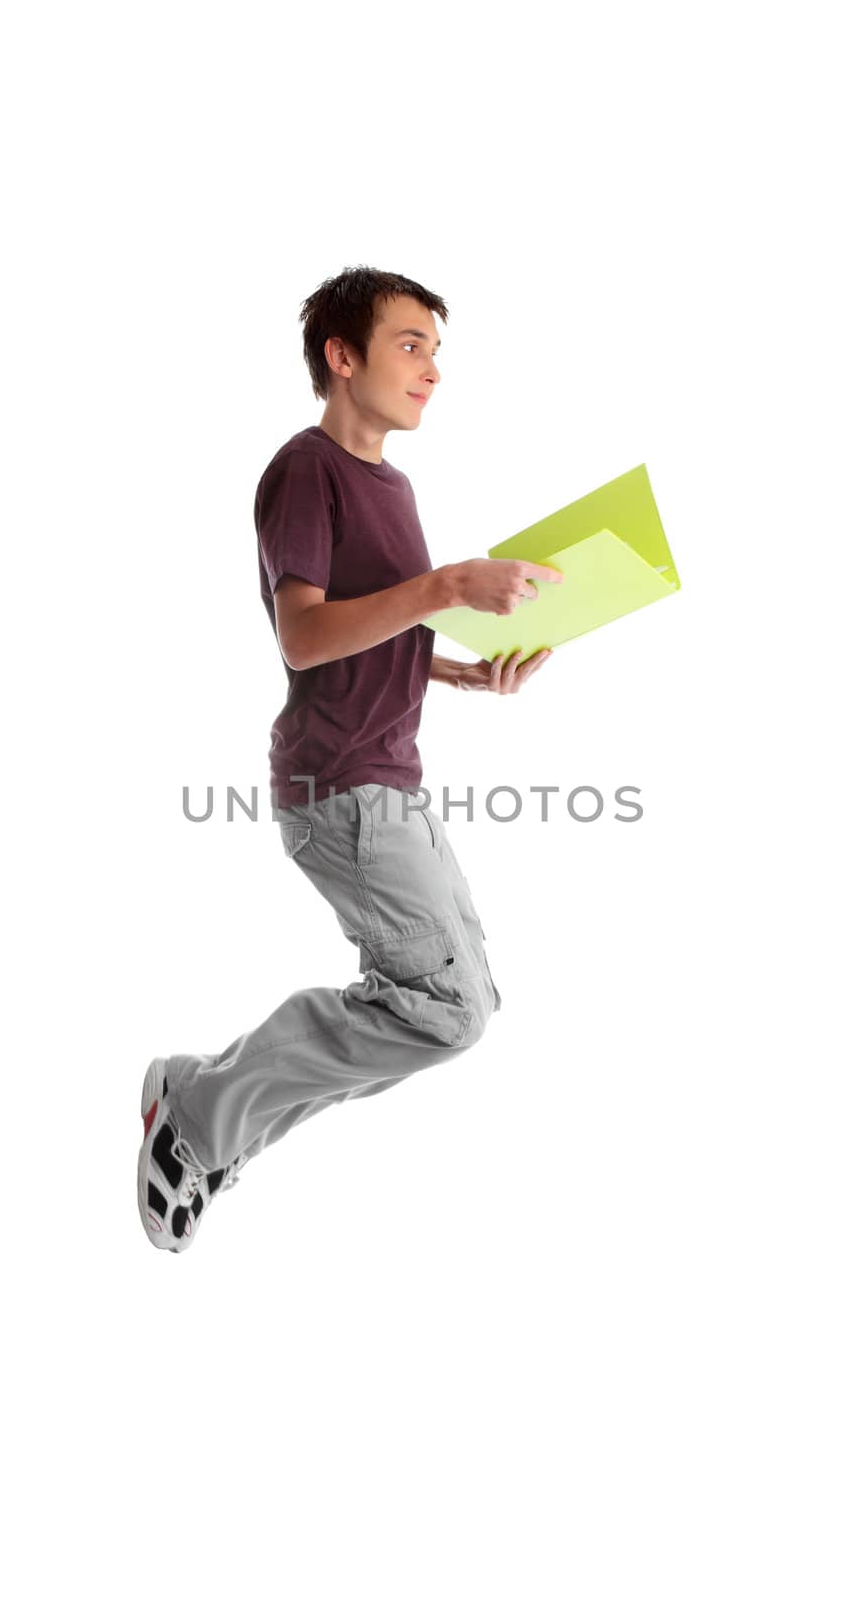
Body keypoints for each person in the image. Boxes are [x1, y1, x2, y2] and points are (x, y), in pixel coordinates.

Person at [137, 264, 562, 1251]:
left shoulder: (392, 485)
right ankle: (199, 1114)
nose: (432, 371)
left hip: (390, 780)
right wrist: (450, 582)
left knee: (467, 1001)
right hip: (343, 786)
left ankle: (210, 1120)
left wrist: (461, 675)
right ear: (343, 355)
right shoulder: (306, 470)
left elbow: (376, 634)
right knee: (445, 1010)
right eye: (411, 345)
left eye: (437, 352)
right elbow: (304, 637)